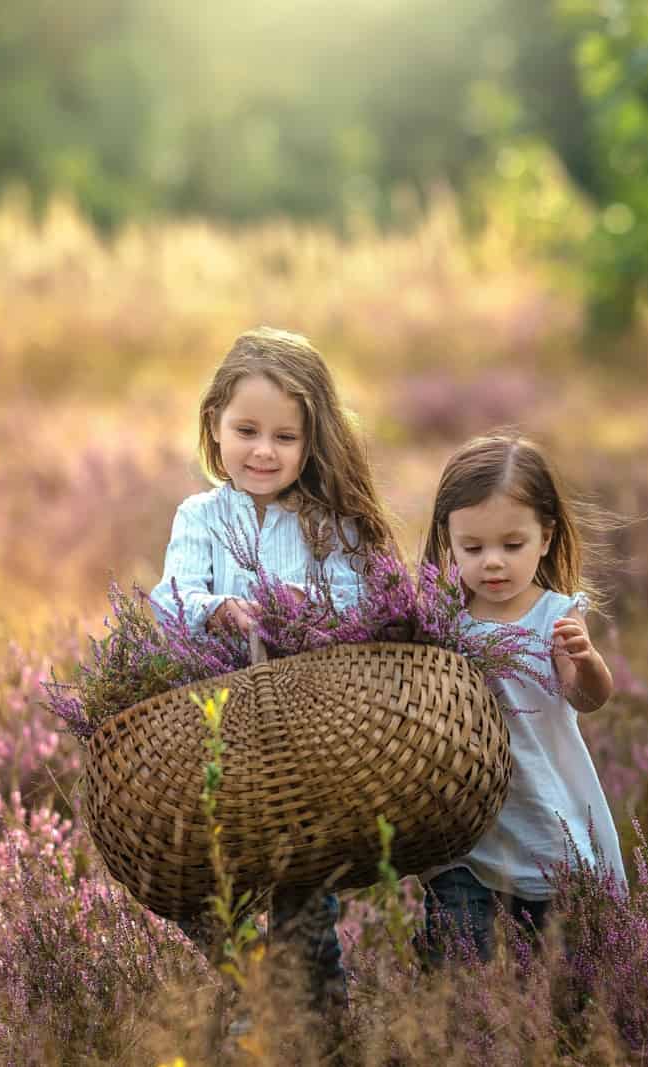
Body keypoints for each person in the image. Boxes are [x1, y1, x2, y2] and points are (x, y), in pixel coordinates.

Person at [153, 325, 397, 1017]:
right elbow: (170, 597)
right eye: (247, 429)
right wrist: (214, 607)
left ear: (311, 442)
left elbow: (361, 605)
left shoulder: (329, 525)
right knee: (209, 878)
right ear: (215, 425)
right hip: (219, 734)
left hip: (304, 741)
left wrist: (309, 610)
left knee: (303, 886)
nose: (263, 450)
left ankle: (316, 1020)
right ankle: (254, 997)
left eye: (284, 437)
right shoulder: (199, 515)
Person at [417, 429, 627, 963]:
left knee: (569, 963)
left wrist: (588, 663)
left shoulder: (555, 614)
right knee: (459, 957)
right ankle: (455, 1038)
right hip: (465, 824)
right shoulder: (440, 618)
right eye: (473, 547)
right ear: (448, 540)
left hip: (539, 809)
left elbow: (584, 698)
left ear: (547, 537)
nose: (492, 562)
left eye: (512, 546)